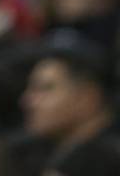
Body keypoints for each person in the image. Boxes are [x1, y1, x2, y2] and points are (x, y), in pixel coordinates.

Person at [20, 34, 120, 176]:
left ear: (87, 98)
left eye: (45, 89)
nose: (27, 100)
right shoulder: (41, 152)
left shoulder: (109, 161)